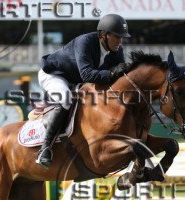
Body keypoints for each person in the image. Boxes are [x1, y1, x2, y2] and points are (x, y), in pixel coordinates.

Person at [36, 14, 131, 168]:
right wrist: (113, 73)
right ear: (103, 35)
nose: (120, 41)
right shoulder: (85, 42)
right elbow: (87, 74)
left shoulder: (117, 51)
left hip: (77, 81)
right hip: (55, 74)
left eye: (122, 37)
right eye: (116, 37)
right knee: (65, 98)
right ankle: (45, 149)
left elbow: (119, 79)